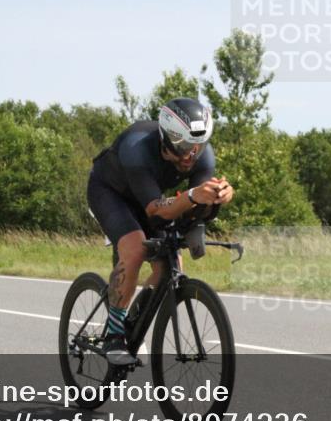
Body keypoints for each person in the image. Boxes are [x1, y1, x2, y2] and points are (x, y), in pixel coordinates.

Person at [86, 97, 234, 365]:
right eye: (186, 145)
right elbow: (156, 211)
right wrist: (192, 195)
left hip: (151, 198)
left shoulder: (203, 156)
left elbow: (193, 210)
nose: (192, 154)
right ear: (168, 137)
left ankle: (135, 321)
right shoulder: (136, 148)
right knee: (135, 248)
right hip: (111, 193)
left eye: (198, 146)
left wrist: (217, 198)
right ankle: (115, 335)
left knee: (170, 264)